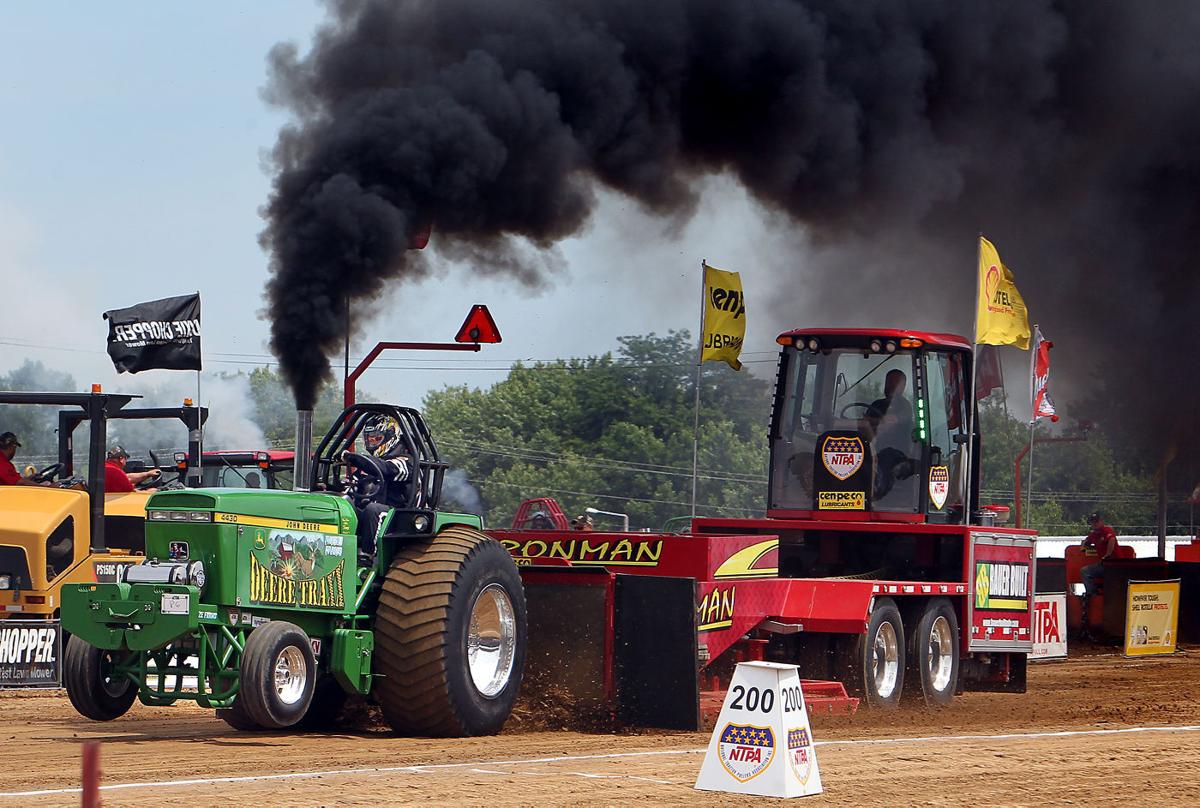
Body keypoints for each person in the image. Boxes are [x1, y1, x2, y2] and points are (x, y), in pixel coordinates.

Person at [864, 369, 916, 498]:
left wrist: (870, 422)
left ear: (903, 386)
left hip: (897, 454)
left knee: (884, 459)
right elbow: (864, 427)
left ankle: (875, 494)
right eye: (889, 382)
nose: (891, 386)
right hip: (873, 449)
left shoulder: (905, 406)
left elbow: (890, 421)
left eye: (895, 382)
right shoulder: (876, 404)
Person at [1079, 511, 1117, 633]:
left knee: (1085, 571)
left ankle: (1093, 594)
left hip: (1115, 564)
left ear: (1101, 521)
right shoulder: (1094, 535)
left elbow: (1111, 541)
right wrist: (1084, 543)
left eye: (1096, 522)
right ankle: (1093, 594)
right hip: (1105, 566)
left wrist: (1107, 555)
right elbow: (1084, 545)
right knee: (1086, 571)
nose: (1094, 524)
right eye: (1092, 523)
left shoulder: (1107, 530)